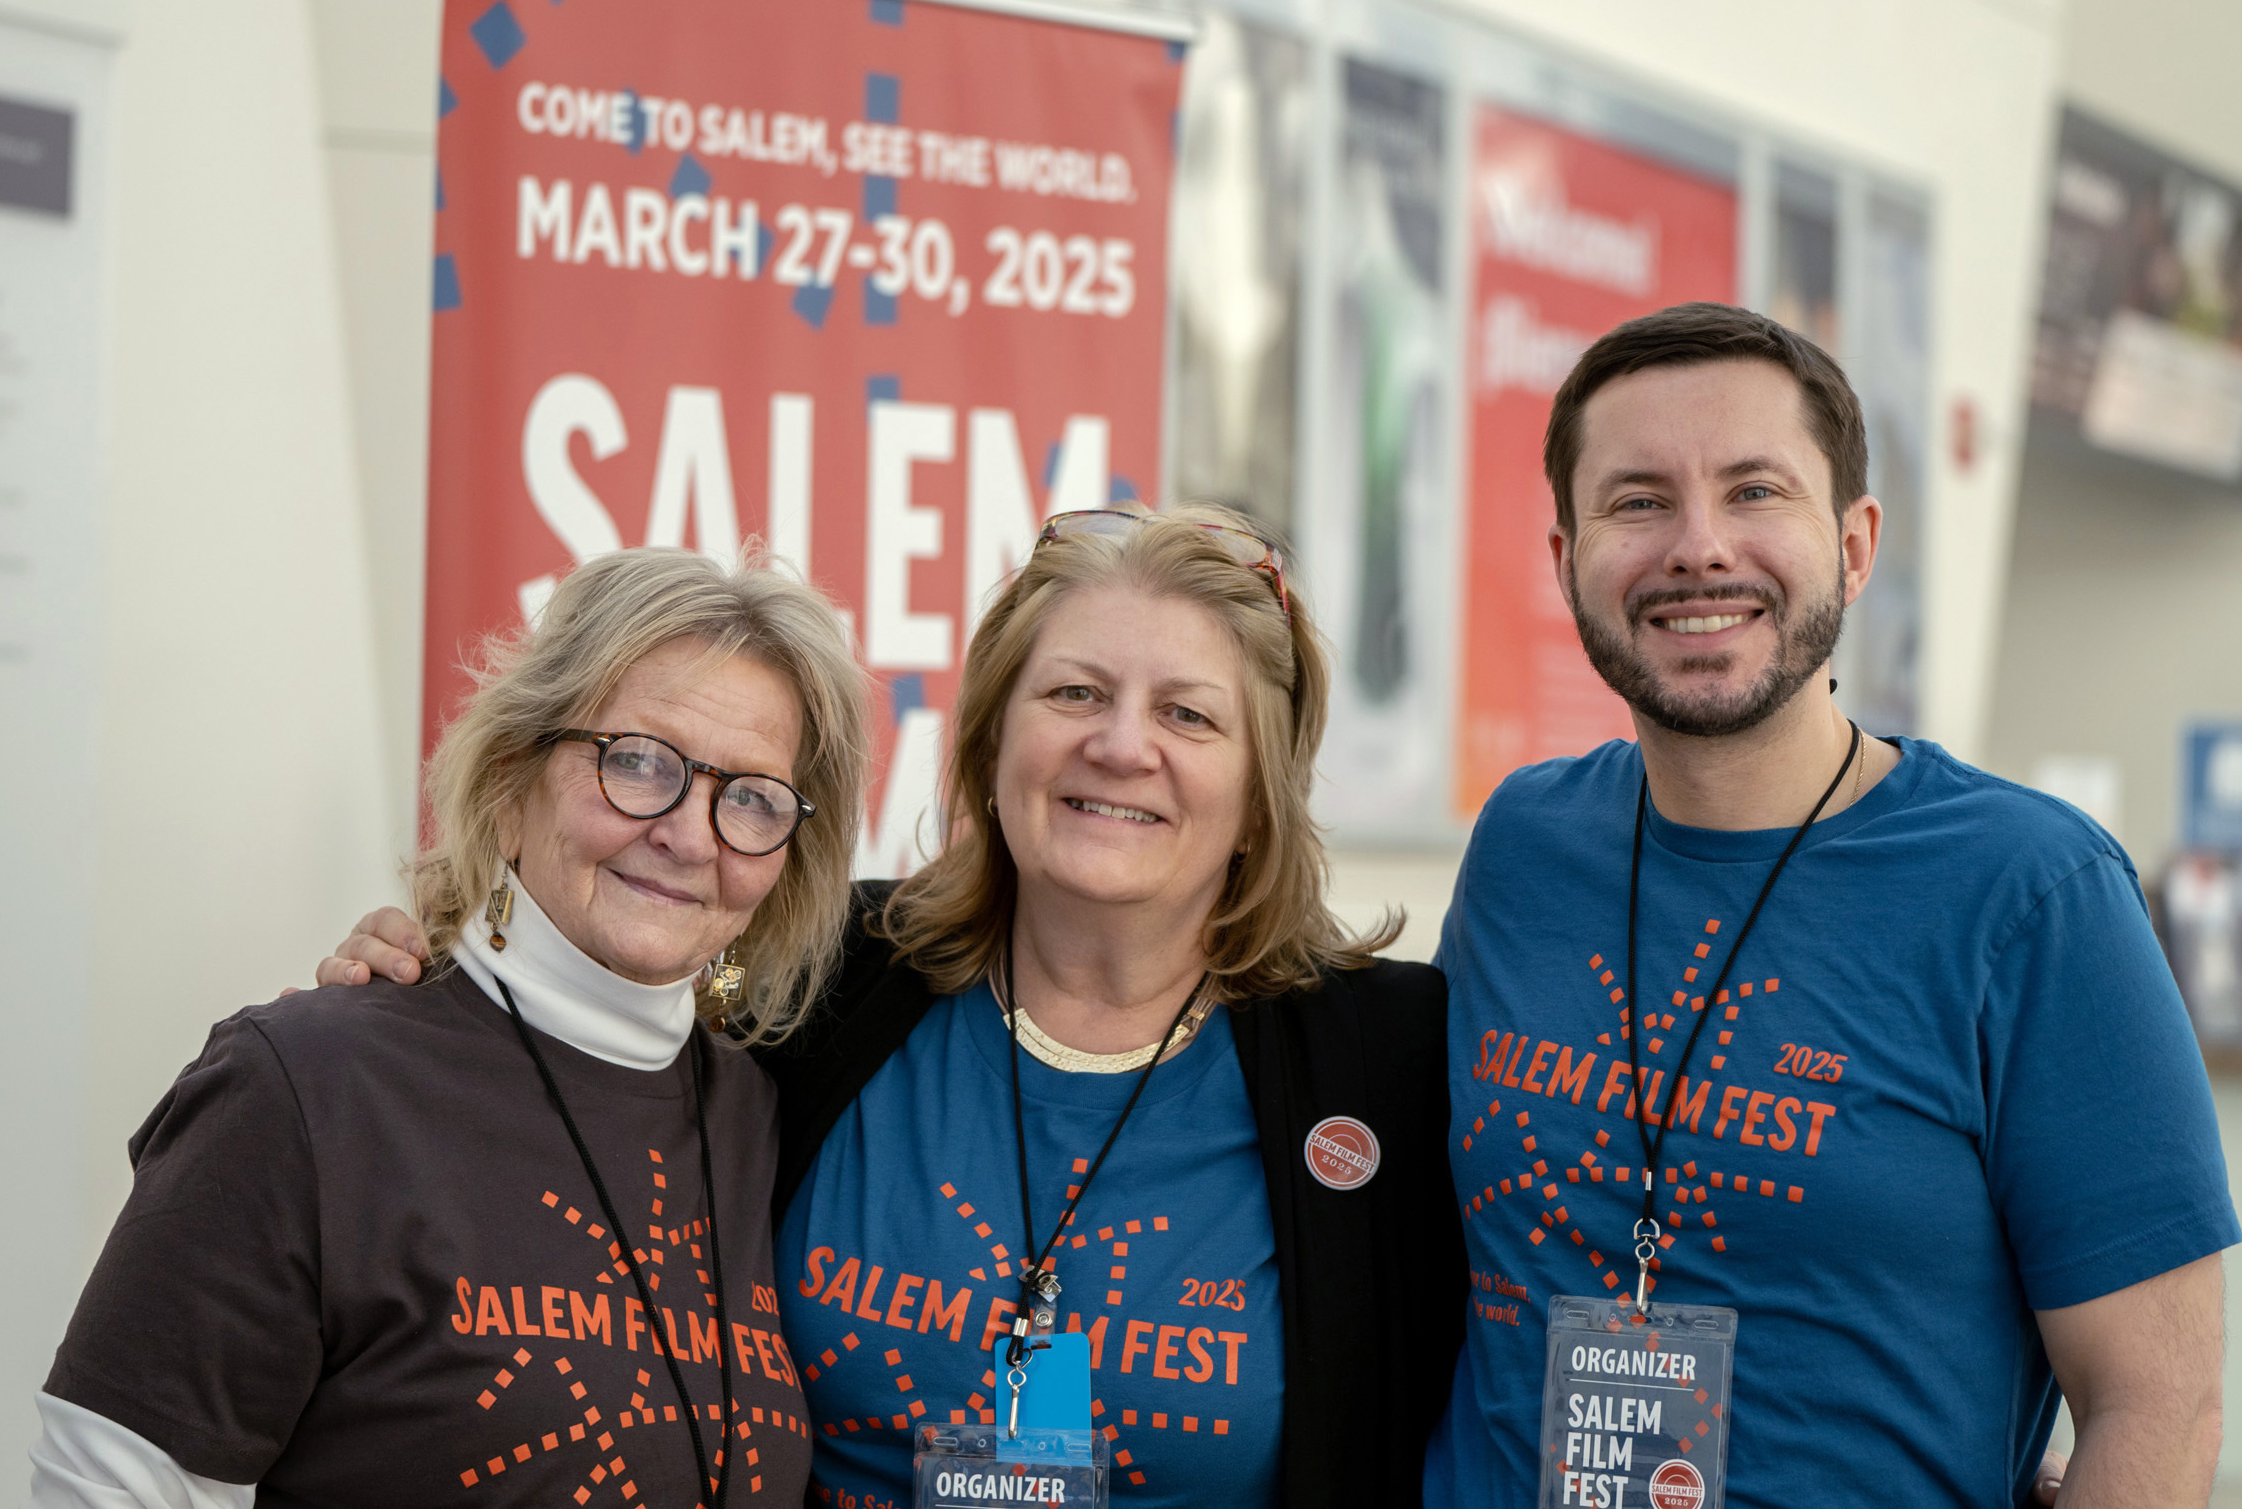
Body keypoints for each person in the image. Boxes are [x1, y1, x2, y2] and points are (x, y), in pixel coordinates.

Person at [319, 506, 1468, 1508]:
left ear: (1263, 788)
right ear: (989, 742)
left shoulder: (1386, 1061)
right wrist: (436, 979)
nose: (1121, 745)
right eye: (1074, 691)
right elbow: (592, 1004)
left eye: (1189, 715)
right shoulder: (822, 976)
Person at [1422, 302, 2239, 1509]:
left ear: (1854, 545)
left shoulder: (2033, 894)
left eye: (1755, 490)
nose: (1698, 547)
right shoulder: (1524, 842)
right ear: (1565, 560)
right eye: (1638, 500)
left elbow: (2157, 1404)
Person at [30, 547, 872, 1508]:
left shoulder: (764, 1113)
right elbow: (108, 1489)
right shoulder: (309, 1088)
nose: (689, 833)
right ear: (515, 774)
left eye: (753, 798)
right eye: (639, 761)